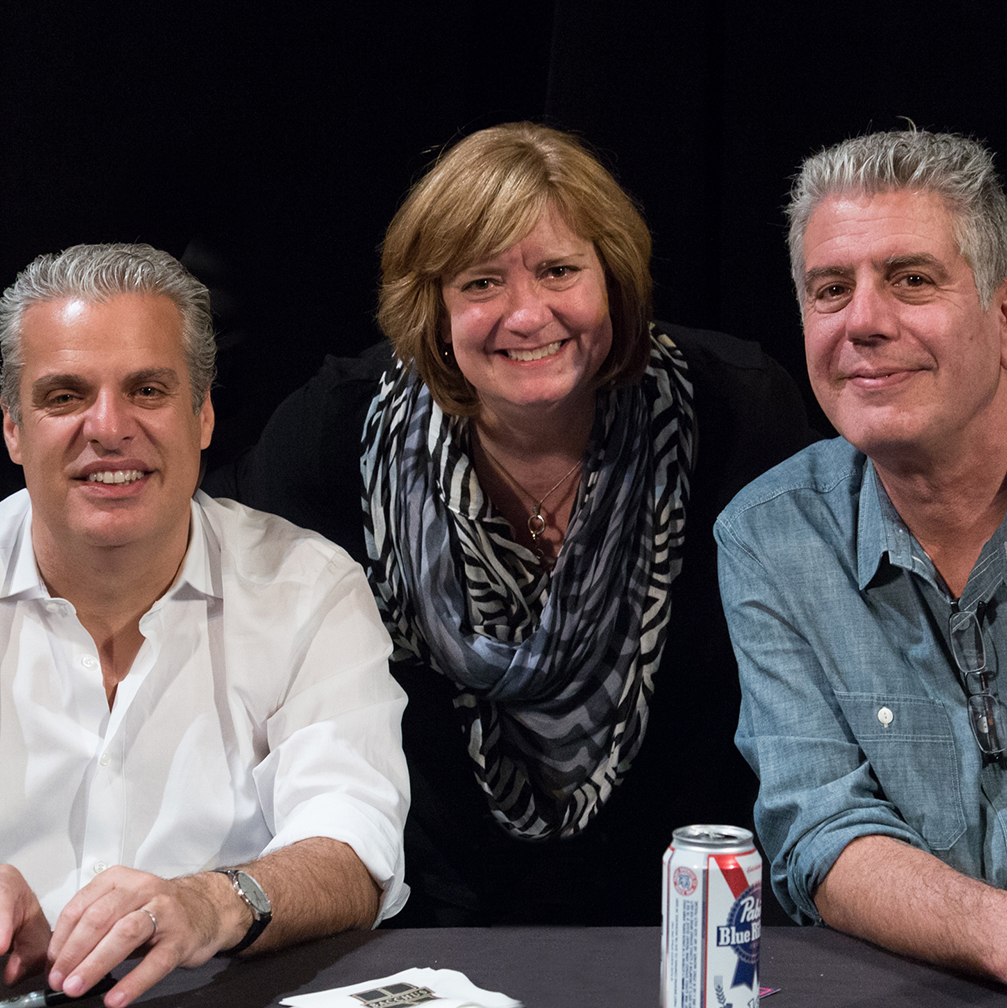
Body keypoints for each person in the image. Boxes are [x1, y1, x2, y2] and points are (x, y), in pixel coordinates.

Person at [206, 123, 812, 925]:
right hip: (417, 922)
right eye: (481, 282)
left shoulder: (738, 413)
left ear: (614, 281)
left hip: (694, 914)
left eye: (559, 270)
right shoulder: (332, 435)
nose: (526, 315)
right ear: (433, 308)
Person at [0, 244, 409, 1006]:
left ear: (204, 414)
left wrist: (213, 902)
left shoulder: (307, 589)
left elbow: (354, 848)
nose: (108, 427)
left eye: (148, 389)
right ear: (13, 428)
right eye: (64, 396)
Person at [715, 128, 1007, 979]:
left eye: (911, 279)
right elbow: (819, 830)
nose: (864, 323)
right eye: (829, 290)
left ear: (999, 310)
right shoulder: (770, 534)